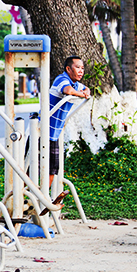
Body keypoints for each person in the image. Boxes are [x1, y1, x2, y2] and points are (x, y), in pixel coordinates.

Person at [48, 56, 91, 186]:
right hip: (42, 129)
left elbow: (86, 89)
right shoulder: (62, 79)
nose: (81, 71)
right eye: (77, 67)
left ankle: (42, 195)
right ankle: (23, 195)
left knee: (52, 168)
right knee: (31, 165)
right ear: (68, 69)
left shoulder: (75, 84)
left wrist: (85, 92)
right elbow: (68, 91)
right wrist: (81, 94)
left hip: (54, 134)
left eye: (82, 68)